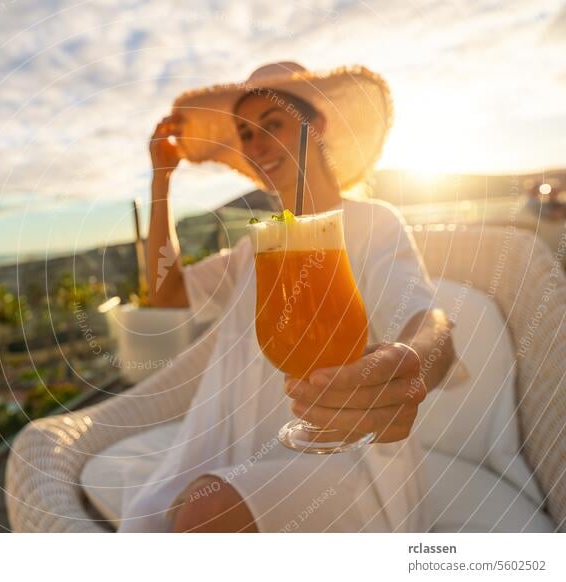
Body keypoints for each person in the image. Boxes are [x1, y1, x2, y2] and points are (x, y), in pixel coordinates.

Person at [119, 62, 456, 533]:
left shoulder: (372, 222)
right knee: (185, 510)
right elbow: (167, 293)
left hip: (349, 457)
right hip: (241, 451)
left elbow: (428, 321)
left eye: (271, 125)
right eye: (245, 134)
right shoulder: (255, 248)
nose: (255, 145)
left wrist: (409, 363)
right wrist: (160, 180)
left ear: (315, 126)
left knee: (203, 513)